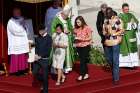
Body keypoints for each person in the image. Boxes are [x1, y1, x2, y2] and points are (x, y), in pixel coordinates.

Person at [51, 5, 75, 73]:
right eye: (65, 16)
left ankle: (67, 67)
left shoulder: (67, 19)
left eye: (67, 16)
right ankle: (58, 68)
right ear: (62, 13)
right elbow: (53, 30)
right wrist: (61, 32)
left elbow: (71, 28)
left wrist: (69, 31)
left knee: (67, 53)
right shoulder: (56, 19)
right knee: (60, 54)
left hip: (67, 38)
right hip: (59, 39)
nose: (66, 17)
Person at [103, 7, 124, 84]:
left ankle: (116, 79)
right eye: (106, 13)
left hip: (115, 42)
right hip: (108, 42)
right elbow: (104, 31)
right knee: (108, 59)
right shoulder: (105, 20)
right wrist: (106, 33)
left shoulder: (117, 19)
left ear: (112, 12)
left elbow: (122, 30)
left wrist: (114, 33)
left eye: (108, 13)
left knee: (115, 60)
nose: (107, 14)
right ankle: (114, 70)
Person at [7, 7, 29, 76]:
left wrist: (26, 28)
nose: (18, 13)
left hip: (22, 42)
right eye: (16, 12)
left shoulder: (22, 19)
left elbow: (27, 27)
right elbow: (15, 32)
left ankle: (22, 70)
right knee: (16, 56)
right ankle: (16, 72)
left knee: (22, 56)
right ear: (13, 13)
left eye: (19, 12)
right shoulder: (11, 21)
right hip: (15, 42)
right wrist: (23, 30)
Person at [32, 25, 52, 93]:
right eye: (39, 31)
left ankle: (45, 90)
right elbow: (36, 48)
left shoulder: (49, 38)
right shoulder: (38, 38)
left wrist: (41, 56)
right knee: (34, 72)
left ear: (45, 29)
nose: (40, 32)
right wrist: (36, 54)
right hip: (37, 59)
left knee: (45, 77)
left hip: (45, 59)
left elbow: (48, 50)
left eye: (41, 30)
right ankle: (42, 81)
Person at [119, 3, 139, 68]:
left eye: (128, 9)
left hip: (132, 35)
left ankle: (133, 64)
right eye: (125, 9)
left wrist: (134, 23)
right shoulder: (120, 16)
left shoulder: (131, 15)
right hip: (125, 36)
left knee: (133, 50)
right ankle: (126, 64)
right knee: (127, 50)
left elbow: (137, 22)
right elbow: (121, 25)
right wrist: (130, 24)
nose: (127, 10)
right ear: (122, 9)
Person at [74, 16, 92, 81]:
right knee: (83, 61)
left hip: (85, 46)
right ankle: (86, 73)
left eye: (78, 22)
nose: (77, 23)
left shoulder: (87, 27)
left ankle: (81, 75)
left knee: (82, 61)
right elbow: (74, 36)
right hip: (78, 46)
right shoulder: (76, 29)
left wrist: (82, 39)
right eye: (76, 22)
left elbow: (90, 37)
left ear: (82, 21)